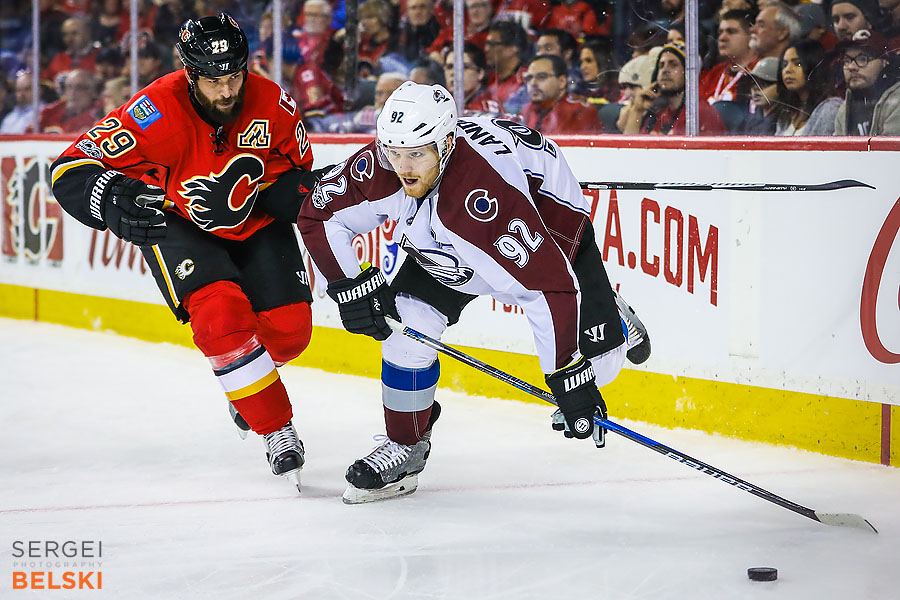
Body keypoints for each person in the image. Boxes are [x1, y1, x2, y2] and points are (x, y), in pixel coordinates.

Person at [296, 81, 651, 504]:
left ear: (446, 144)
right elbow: (318, 216)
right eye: (393, 152)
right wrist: (350, 287)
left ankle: (613, 320)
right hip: (446, 240)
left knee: (598, 371)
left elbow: (548, 288)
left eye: (415, 155)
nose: (403, 167)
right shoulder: (383, 163)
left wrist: (567, 376)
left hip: (549, 222)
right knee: (405, 332)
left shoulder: (484, 200)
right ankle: (406, 443)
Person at [49, 13, 324, 492]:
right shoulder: (156, 108)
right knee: (220, 317)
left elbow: (299, 176)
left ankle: (245, 383)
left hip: (254, 221)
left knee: (291, 332)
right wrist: (109, 197)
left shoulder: (274, 102)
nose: (226, 92)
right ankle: (276, 428)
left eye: (234, 76)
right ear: (190, 72)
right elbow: (69, 168)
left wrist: (265, 196)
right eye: (214, 81)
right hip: (179, 223)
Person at [619, 41, 726, 135]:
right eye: (661, 66)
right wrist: (637, 110)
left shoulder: (701, 113)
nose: (665, 70)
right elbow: (629, 151)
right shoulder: (658, 113)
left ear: (688, 74)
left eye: (673, 64)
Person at [834, 29, 900, 135]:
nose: (851, 67)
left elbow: (890, 151)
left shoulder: (897, 101)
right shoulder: (845, 109)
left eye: (863, 59)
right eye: (847, 61)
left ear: (885, 63)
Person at [520, 54, 605, 135]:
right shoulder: (526, 110)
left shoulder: (579, 110)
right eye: (529, 78)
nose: (533, 83)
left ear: (562, 82)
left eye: (541, 77)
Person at [774, 39, 841, 135]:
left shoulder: (830, 109)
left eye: (798, 64)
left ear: (813, 67)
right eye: (784, 65)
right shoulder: (787, 113)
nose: (787, 70)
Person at [700, 10, 759, 107]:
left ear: (751, 36)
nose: (722, 38)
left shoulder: (759, 71)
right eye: (720, 32)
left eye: (731, 32)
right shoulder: (714, 73)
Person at [443, 41, 504, 114]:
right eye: (449, 67)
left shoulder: (488, 108)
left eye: (464, 67)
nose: (454, 73)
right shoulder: (442, 104)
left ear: (481, 73)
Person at [742, 56, 780, 134]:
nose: (756, 88)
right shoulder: (751, 120)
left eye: (764, 83)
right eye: (753, 83)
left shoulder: (785, 121)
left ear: (781, 86)